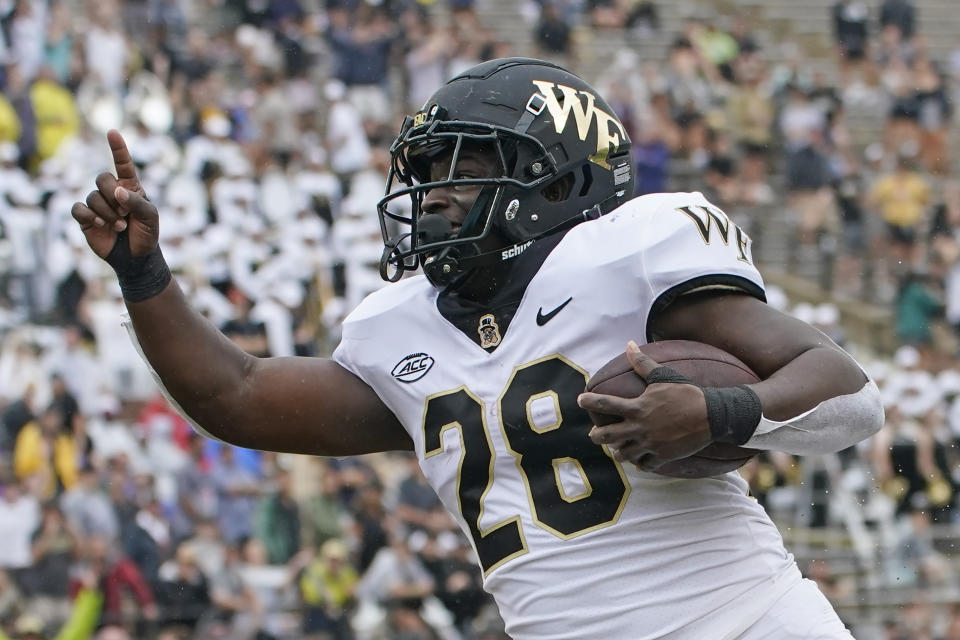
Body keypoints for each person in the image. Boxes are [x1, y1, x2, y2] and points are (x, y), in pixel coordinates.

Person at [72, 57, 884, 639]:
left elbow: (849, 394)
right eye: (425, 168)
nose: (434, 192)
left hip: (748, 619)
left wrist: (719, 412)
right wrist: (145, 276)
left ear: (562, 181)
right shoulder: (398, 330)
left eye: (466, 167)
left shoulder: (632, 252)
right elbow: (235, 396)